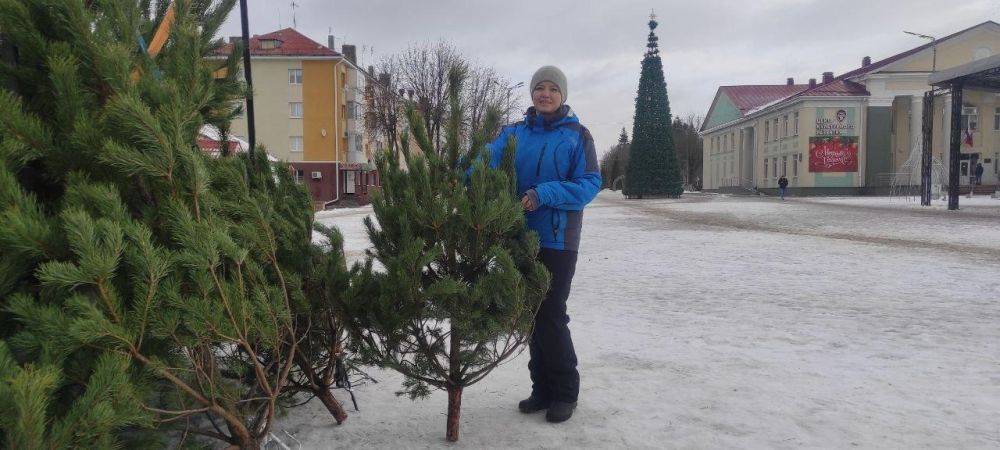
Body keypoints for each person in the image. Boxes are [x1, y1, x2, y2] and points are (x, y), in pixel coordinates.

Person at [483, 66, 601, 423]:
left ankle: (565, 392)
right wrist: (457, 171)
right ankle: (541, 390)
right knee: (530, 315)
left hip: (558, 239)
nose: (545, 94)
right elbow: (483, 161)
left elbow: (590, 184)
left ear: (562, 95)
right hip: (518, 235)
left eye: (552, 89)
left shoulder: (578, 135)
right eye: (539, 88)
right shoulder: (513, 133)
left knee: (550, 313)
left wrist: (544, 193)